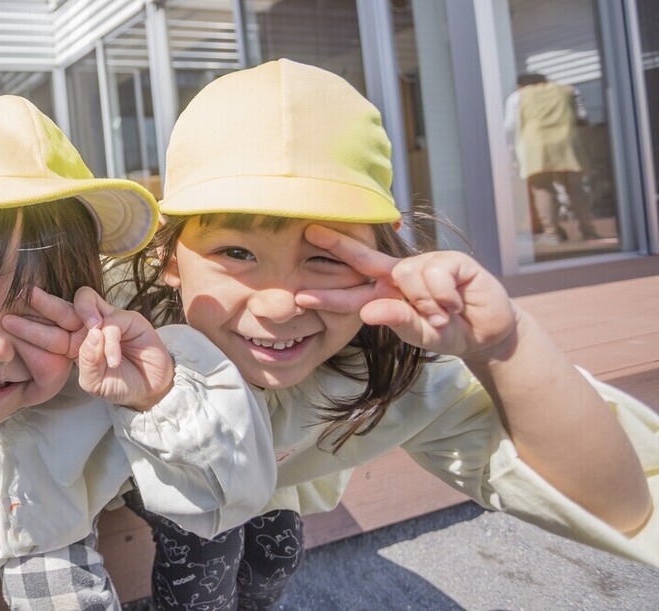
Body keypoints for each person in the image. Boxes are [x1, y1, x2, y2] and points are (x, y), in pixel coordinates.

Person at [121, 59, 658, 610]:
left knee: (276, 555)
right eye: (236, 252)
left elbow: (617, 507)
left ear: (383, 246)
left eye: (326, 256)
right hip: (162, 472)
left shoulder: (396, 366)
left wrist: (502, 348)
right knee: (206, 548)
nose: (279, 305)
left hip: (268, 486)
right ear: (168, 256)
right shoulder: (125, 327)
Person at [0, 95, 277, 609]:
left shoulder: (94, 385)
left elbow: (230, 492)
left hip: (49, 525)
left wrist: (157, 397)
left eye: (36, 313)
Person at [504, 72, 601, 244]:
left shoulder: (517, 97)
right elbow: (582, 116)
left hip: (535, 145)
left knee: (543, 188)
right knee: (575, 188)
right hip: (567, 143)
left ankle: (551, 233)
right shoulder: (569, 90)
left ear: (520, 85)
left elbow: (509, 126)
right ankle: (589, 231)